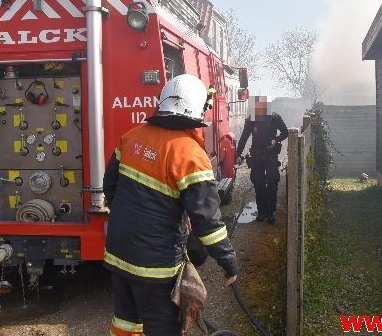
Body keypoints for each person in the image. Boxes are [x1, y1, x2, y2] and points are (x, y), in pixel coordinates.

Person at [103, 74, 239, 335]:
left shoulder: (132, 137)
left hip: (119, 254)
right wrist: (229, 262)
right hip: (156, 265)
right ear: (198, 108)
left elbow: (111, 188)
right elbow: (207, 223)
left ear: (161, 101)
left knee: (126, 323)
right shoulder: (190, 154)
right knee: (163, 327)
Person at [235, 96, 288, 224]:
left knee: (272, 181)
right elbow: (243, 138)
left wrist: (276, 140)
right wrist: (237, 154)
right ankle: (261, 212)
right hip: (257, 155)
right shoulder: (251, 121)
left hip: (271, 155)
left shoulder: (274, 118)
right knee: (258, 183)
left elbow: (285, 132)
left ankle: (270, 213)